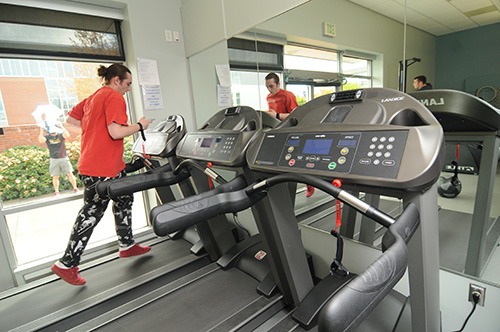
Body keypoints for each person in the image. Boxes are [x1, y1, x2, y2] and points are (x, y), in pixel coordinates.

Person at [51, 63, 153, 286]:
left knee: (124, 197)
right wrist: (140, 125)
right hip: (102, 169)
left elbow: (72, 121)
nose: (128, 89)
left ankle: (126, 244)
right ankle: (67, 264)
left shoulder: (94, 97)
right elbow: (116, 133)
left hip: (94, 164)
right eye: (127, 84)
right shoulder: (115, 98)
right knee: (91, 213)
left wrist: (94, 130)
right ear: (116, 80)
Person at [264, 72, 315, 198]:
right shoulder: (268, 97)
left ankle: (310, 184)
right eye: (267, 86)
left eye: (271, 86)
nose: (269, 89)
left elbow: (296, 115)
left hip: (292, 131)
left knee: (297, 160)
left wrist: (276, 115)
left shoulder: (288, 95)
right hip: (279, 131)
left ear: (278, 84)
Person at [38, 122, 80, 195]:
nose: (53, 132)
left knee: (70, 173)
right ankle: (57, 191)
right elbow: (41, 140)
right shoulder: (47, 137)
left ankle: (75, 188)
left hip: (64, 157)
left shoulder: (60, 136)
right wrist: (41, 130)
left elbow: (67, 135)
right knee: (55, 176)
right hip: (54, 159)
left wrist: (62, 127)